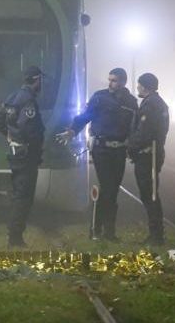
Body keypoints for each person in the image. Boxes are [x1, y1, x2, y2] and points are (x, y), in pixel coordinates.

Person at [56, 68, 137, 241]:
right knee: (108, 187)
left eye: (114, 80)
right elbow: (85, 116)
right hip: (102, 149)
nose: (110, 83)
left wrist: (132, 146)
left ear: (123, 82)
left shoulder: (131, 102)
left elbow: (133, 126)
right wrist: (72, 131)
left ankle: (102, 229)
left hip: (119, 150)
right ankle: (102, 229)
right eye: (109, 79)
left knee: (112, 190)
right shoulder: (99, 97)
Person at [0, 65, 45, 248]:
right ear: (37, 80)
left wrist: (9, 135)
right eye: (41, 80)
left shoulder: (12, 97)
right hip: (27, 155)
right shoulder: (28, 100)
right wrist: (30, 143)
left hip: (15, 154)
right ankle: (15, 237)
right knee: (24, 196)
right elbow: (27, 127)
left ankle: (14, 234)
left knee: (18, 193)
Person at [128, 72, 169, 246]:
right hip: (153, 154)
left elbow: (144, 132)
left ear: (145, 86)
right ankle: (156, 233)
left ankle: (156, 235)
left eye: (138, 85)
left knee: (150, 195)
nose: (137, 87)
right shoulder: (158, 103)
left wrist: (130, 147)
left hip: (147, 156)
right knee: (150, 194)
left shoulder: (150, 105)